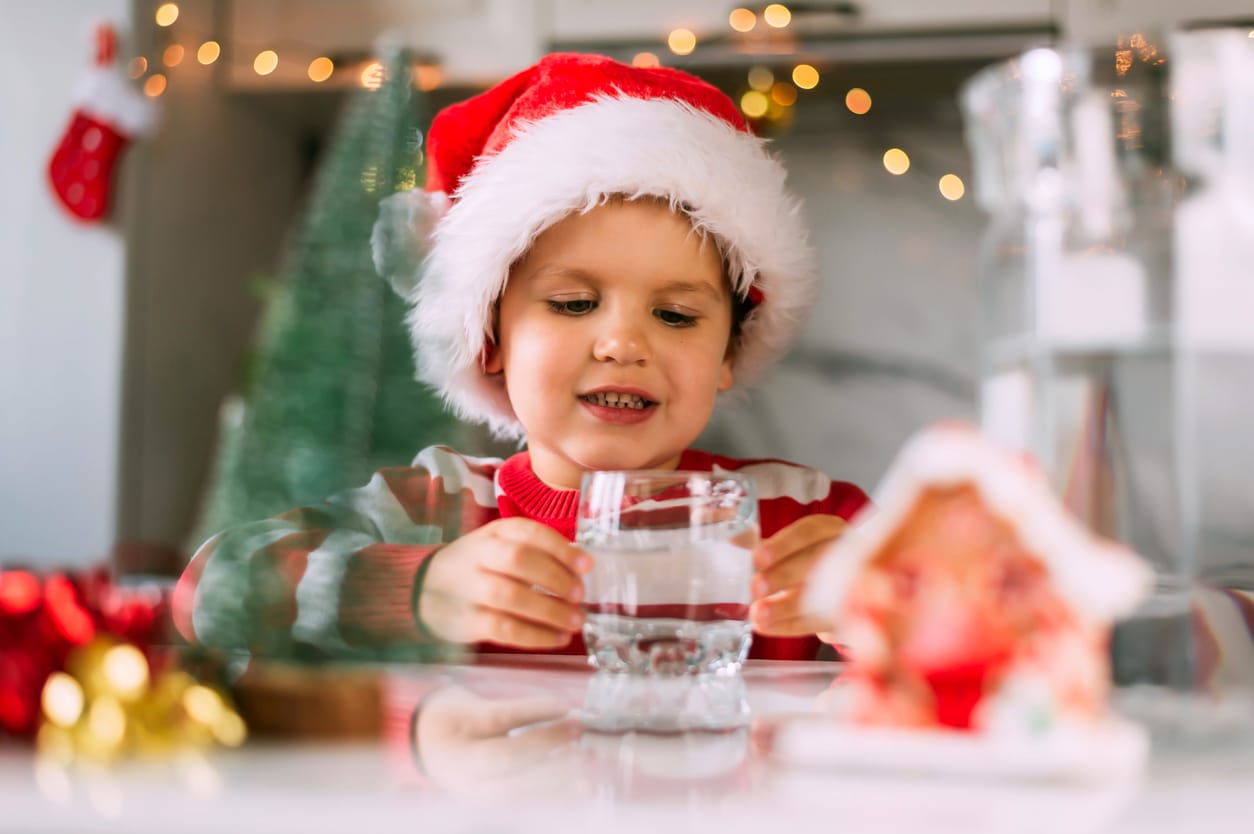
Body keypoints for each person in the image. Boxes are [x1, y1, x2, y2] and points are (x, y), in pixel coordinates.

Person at [173, 52, 869, 660]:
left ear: (729, 350)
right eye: (572, 303)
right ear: (491, 338)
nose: (624, 343)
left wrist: (871, 604)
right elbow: (211, 587)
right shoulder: (439, 505)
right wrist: (421, 588)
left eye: (676, 314)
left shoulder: (798, 513)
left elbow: (973, 616)